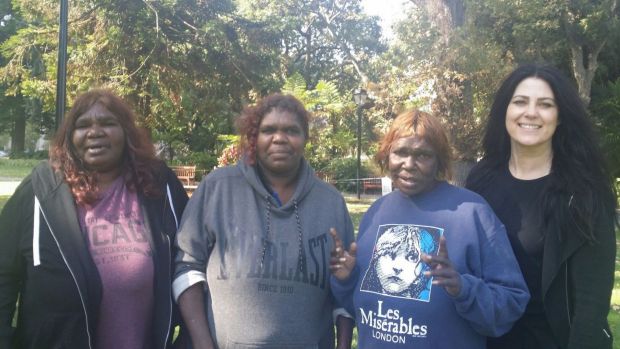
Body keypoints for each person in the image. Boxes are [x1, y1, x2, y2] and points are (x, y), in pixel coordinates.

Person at [0, 89, 189, 349]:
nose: (95, 132)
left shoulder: (158, 186)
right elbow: (3, 273)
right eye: (83, 125)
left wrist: (189, 339)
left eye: (108, 123)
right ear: (70, 136)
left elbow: (191, 262)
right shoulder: (39, 191)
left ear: (126, 134)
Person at [330, 109, 530, 349]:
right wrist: (345, 280)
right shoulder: (377, 212)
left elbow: (511, 303)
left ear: (439, 160)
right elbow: (361, 307)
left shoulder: (472, 212)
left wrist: (462, 288)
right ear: (387, 155)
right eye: (400, 152)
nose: (409, 164)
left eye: (423, 155)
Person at [173, 93, 355, 349]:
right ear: (253, 138)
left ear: (305, 138)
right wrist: (203, 344)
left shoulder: (331, 203)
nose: (279, 138)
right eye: (269, 130)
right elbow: (187, 268)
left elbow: (344, 289)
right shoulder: (218, 189)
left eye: (291, 130)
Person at [465, 64, 617, 349]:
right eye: (520, 102)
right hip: (485, 340)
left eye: (545, 104)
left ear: (559, 117)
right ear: (505, 111)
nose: (531, 113)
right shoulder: (480, 179)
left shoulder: (584, 191)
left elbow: (590, 304)